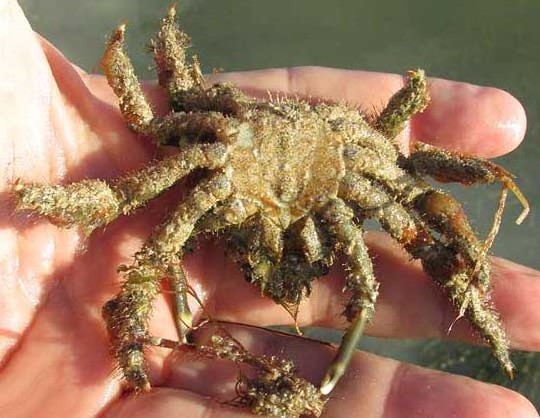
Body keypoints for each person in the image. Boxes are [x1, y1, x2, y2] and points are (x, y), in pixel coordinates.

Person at [0, 1, 538, 417]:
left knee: (402, 245)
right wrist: (30, 195)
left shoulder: (361, 165)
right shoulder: (219, 151)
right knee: (153, 236)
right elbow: (137, 162)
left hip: (333, 156)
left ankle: (485, 322)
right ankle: (131, 346)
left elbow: (422, 219)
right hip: (248, 151)